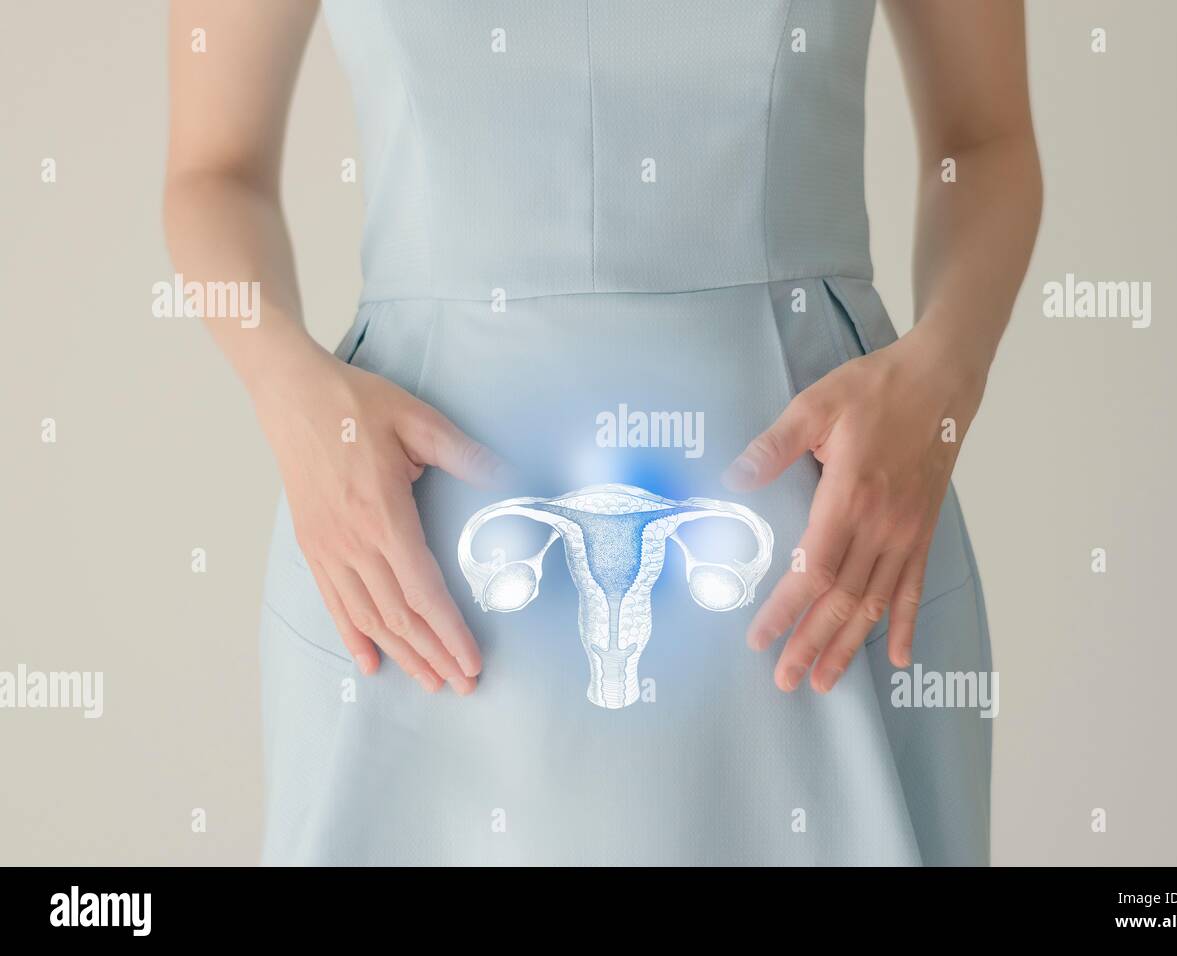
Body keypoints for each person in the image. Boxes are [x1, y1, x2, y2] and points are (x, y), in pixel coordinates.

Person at [164, 0, 1041, 865]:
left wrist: (941, 383)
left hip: (838, 546)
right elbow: (214, 170)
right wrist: (290, 398)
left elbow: (985, 142)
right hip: (400, 563)